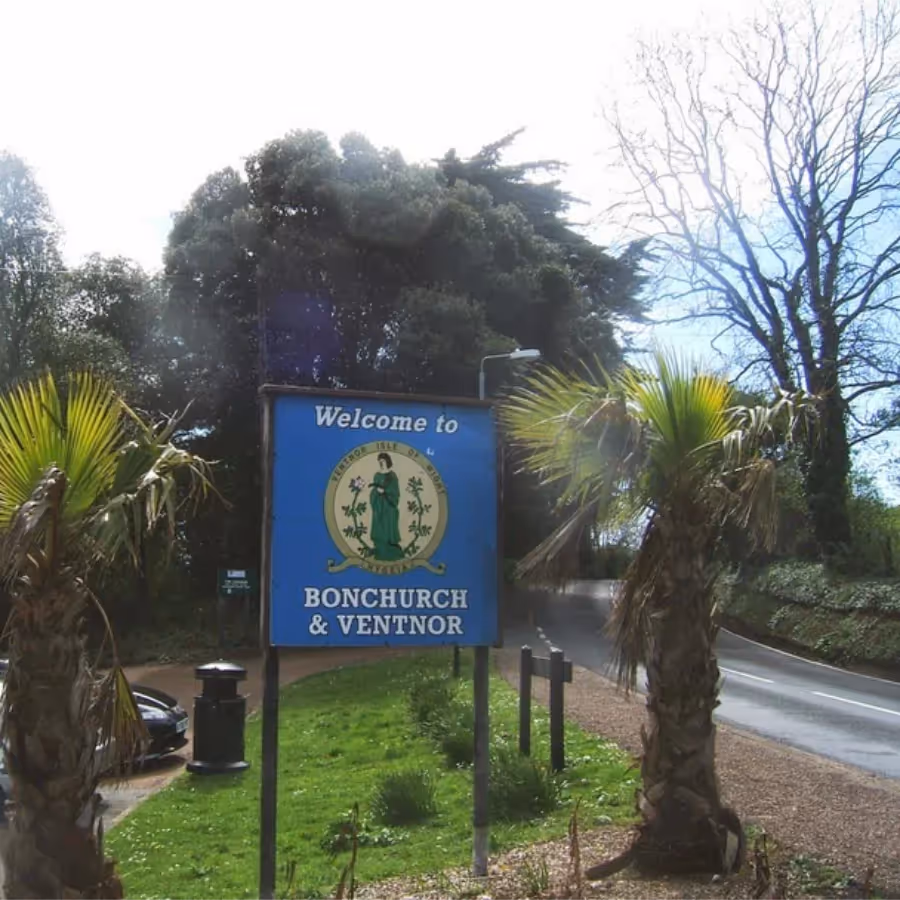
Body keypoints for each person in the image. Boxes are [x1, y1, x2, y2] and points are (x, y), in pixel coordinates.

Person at [369, 452, 403, 561]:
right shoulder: (377, 475)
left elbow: (395, 492)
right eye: (379, 462)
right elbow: (373, 491)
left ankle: (391, 550)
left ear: (387, 461)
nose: (381, 464)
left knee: (389, 527)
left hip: (389, 507)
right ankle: (379, 549)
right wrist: (376, 492)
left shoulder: (392, 476)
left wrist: (385, 491)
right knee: (379, 527)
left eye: (383, 461)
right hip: (379, 506)